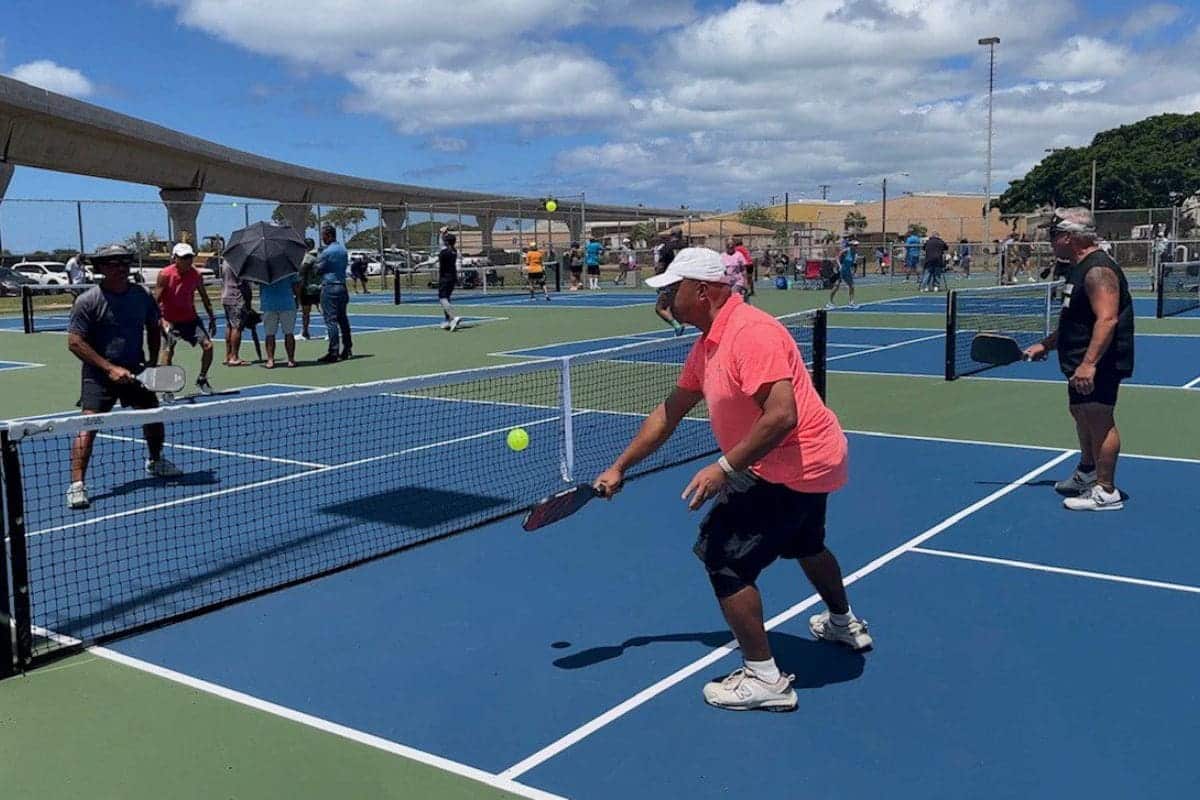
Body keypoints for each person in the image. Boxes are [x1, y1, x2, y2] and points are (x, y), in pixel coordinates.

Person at [595, 247, 872, 712]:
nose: (663, 296)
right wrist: (620, 466)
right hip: (812, 460)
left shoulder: (750, 334)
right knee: (806, 544)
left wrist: (724, 468)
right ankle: (843, 623)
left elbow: (781, 416)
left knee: (724, 560)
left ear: (701, 291)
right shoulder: (708, 344)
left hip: (788, 461)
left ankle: (764, 678)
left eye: (671, 288)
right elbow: (670, 411)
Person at [1024, 208, 1135, 511]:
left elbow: (1107, 319)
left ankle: (1106, 491)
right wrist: (1047, 344)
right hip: (1078, 360)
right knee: (1081, 412)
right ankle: (1087, 472)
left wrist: (1089, 364)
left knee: (1099, 418)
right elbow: (1075, 320)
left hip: (1099, 362)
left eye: (1054, 234)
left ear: (1069, 237)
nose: (1051, 240)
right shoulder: (1078, 266)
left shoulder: (1098, 269)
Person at [65, 244, 182, 509]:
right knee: (89, 425)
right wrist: (109, 368)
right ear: (101, 269)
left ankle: (155, 461)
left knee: (153, 415)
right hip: (98, 375)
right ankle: (76, 485)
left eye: (123, 263)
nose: (119, 268)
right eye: (112, 264)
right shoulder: (88, 301)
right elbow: (74, 342)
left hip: (136, 370)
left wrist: (151, 363)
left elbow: (153, 327)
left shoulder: (141, 296)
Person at [157, 242, 217, 394]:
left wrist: (212, 318)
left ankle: (202, 379)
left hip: (191, 320)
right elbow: (155, 301)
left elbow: (204, 297)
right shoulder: (165, 275)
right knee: (168, 351)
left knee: (208, 346)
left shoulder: (196, 274)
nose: (188, 260)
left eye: (190, 257)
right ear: (175, 258)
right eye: (184, 257)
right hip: (169, 319)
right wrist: (162, 321)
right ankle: (168, 388)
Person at [316, 224, 352, 363]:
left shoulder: (327, 252)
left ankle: (333, 351)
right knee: (343, 319)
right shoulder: (343, 250)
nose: (322, 238)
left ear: (329, 235)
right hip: (342, 286)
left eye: (323, 235)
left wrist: (318, 260)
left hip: (330, 287)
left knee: (331, 320)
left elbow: (318, 270)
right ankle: (347, 348)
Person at [260, 269, 300, 368]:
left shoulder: (262, 269)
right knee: (287, 333)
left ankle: (271, 360)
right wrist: (297, 299)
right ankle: (290, 360)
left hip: (270, 303)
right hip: (284, 303)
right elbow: (296, 285)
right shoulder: (289, 268)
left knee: (271, 334)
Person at [220, 257, 253, 366]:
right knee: (236, 327)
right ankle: (234, 357)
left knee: (229, 325)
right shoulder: (239, 262)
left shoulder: (226, 261)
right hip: (236, 297)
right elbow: (244, 283)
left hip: (226, 295)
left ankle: (228, 355)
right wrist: (248, 301)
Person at [654, 232, 686, 335]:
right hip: (685, 280)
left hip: (670, 280)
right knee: (674, 306)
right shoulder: (686, 247)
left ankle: (677, 326)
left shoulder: (666, 247)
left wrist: (659, 280)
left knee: (659, 308)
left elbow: (660, 266)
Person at [438, 233, 463, 330]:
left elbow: (433, 260)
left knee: (442, 298)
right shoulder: (454, 251)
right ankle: (448, 320)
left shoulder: (444, 253)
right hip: (453, 277)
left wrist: (440, 234)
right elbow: (442, 245)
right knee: (447, 298)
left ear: (447, 242)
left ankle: (453, 317)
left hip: (445, 278)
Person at [298, 238, 321, 340]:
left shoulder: (308, 257)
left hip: (308, 289)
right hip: (318, 287)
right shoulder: (319, 256)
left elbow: (302, 272)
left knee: (306, 313)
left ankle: (305, 332)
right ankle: (330, 331)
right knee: (323, 310)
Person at [826, 238, 858, 309]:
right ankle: (830, 302)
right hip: (841, 270)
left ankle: (851, 302)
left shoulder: (855, 254)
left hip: (847, 271)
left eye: (857, 245)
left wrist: (853, 271)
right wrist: (839, 266)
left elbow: (853, 264)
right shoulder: (846, 251)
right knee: (836, 286)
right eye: (855, 245)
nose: (856, 247)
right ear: (851, 245)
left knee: (852, 286)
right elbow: (837, 257)